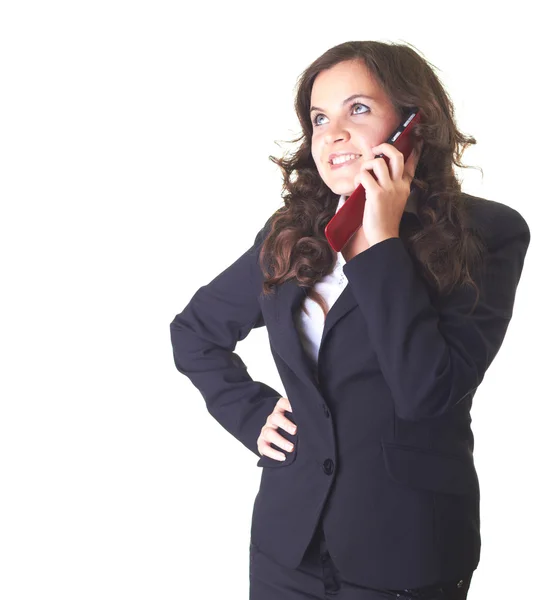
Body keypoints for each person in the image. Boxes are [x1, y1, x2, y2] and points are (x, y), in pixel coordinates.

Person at [169, 40, 531, 599]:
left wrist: (380, 241)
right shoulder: (290, 233)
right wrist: (253, 415)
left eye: (357, 109)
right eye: (319, 117)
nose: (332, 133)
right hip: (288, 547)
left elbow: (427, 393)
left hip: (406, 552)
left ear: (415, 123)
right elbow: (194, 332)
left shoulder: (487, 234)